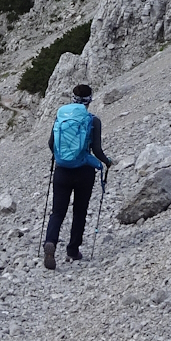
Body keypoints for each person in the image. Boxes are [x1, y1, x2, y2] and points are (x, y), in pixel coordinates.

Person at [44, 82, 112, 269]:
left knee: (57, 212)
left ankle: (50, 242)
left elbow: (51, 143)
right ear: (89, 100)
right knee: (80, 211)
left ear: (73, 99)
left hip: (62, 170)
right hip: (84, 171)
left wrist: (59, 157)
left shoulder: (60, 116)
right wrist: (107, 162)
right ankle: (73, 249)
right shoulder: (93, 120)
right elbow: (97, 150)